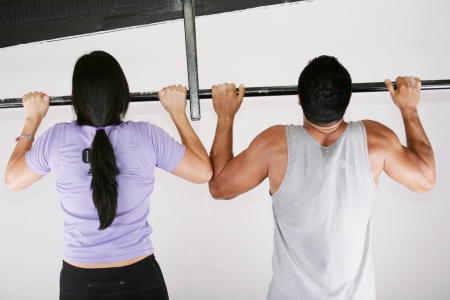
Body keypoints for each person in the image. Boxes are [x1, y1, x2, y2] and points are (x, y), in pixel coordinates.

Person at [208, 55, 436, 299]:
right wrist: (409, 109)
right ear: (349, 98)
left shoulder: (273, 146)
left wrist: (225, 115)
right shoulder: (376, 141)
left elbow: (220, 186)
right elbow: (425, 179)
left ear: (298, 99)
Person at [4, 50, 212, 299]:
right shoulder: (147, 136)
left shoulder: (57, 139)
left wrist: (32, 120)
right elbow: (203, 172)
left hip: (79, 283)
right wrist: (178, 112)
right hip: (140, 279)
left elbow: (12, 181)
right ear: (122, 95)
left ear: (75, 99)